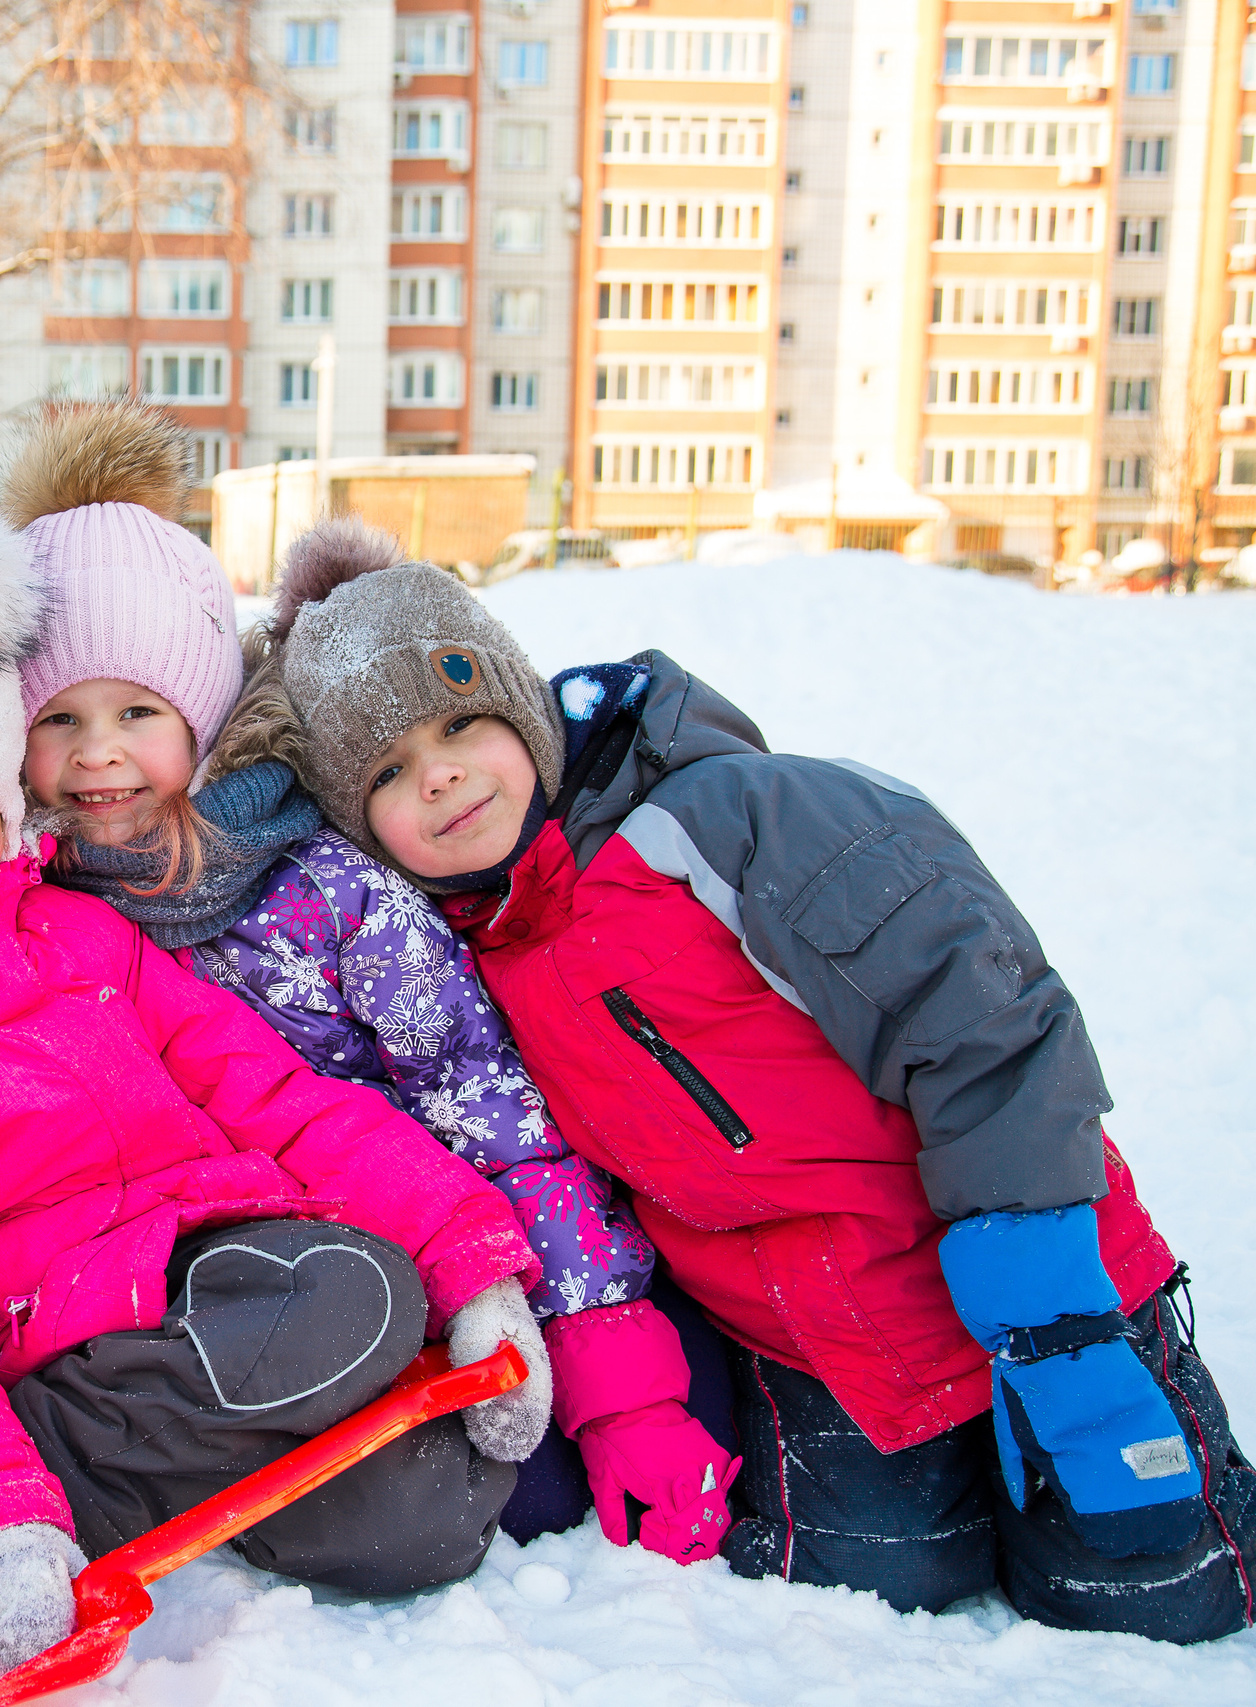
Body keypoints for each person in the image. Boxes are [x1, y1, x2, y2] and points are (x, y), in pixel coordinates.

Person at [251, 518, 1254, 1643]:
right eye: (386, 774)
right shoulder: (465, 958)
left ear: (522, 706)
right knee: (872, 1596)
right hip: (818, 1353)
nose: (436, 775)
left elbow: (984, 1019)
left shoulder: (730, 820)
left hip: (1037, 1285)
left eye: (457, 723)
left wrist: (1046, 1295)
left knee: (1156, 1592)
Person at [0, 489, 547, 1675]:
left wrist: (469, 1261)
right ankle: (53, 1466)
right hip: (64, 1334)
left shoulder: (89, 938)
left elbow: (280, 1101)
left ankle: (159, 1467)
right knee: (353, 1295)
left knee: (428, 1514)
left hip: (215, 1269)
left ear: (10, 806)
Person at [0, 410, 736, 1562]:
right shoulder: (25, 911)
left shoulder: (323, 889)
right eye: (59, 718)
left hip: (441, 1259)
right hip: (215, 1304)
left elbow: (483, 1102)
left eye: (137, 711)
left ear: (203, 715)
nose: (98, 753)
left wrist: (610, 1363)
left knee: (530, 1491)